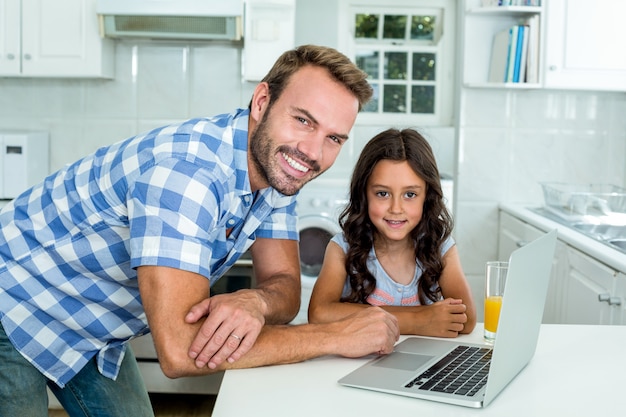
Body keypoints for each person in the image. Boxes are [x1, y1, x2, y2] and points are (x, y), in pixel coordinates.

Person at [0, 45, 400, 417]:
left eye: (333, 138)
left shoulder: (279, 171)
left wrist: (255, 302)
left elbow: (284, 286)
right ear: (262, 102)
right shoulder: (187, 175)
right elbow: (181, 352)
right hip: (15, 299)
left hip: (92, 324)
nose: (313, 152)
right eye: (303, 120)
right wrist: (336, 338)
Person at [308, 128, 476, 338]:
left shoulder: (440, 246)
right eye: (382, 193)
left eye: (410, 194)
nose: (396, 208)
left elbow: (467, 319)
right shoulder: (342, 247)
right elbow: (319, 313)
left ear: (427, 196)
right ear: (364, 194)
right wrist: (418, 320)